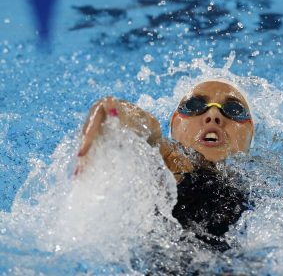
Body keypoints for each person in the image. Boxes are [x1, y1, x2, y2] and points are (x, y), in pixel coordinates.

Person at [77, 80, 255, 251]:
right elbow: (147, 131)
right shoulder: (171, 159)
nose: (213, 115)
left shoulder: (260, 180)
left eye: (234, 109)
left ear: (251, 134)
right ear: (175, 126)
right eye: (194, 106)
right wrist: (110, 111)